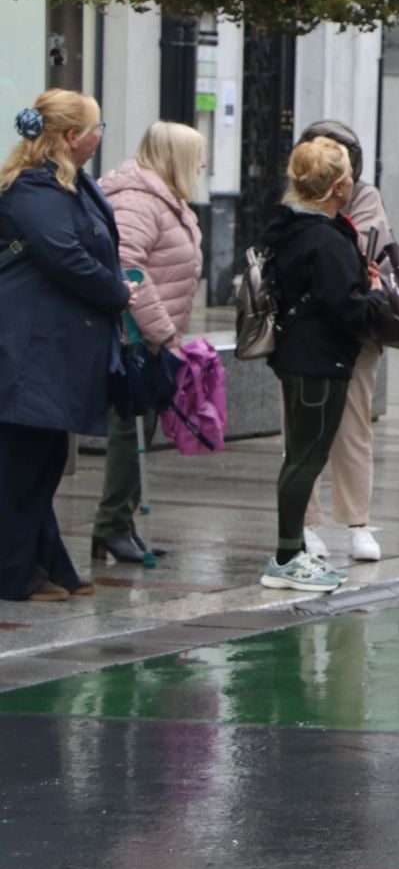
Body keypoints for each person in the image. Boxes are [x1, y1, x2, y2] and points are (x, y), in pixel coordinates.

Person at [0, 91, 125, 602]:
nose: (100, 137)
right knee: (22, 470)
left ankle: (48, 567)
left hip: (47, 349)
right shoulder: (34, 190)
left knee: (38, 465)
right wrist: (117, 292)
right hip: (29, 353)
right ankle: (16, 576)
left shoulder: (65, 186)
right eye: (98, 127)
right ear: (73, 137)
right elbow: (66, 256)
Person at [258, 138, 382, 593]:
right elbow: (344, 307)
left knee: (301, 456)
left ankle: (290, 551)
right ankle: (287, 555)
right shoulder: (325, 239)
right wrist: (374, 296)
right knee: (305, 459)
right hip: (318, 358)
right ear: (338, 188)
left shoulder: (290, 227)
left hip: (298, 353)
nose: (351, 183)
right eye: (346, 176)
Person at [91, 121, 205, 565]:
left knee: (141, 432)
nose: (202, 163)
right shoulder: (139, 201)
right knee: (128, 434)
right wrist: (160, 332)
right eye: (196, 154)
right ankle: (111, 527)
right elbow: (127, 267)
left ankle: (121, 524)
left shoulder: (164, 200)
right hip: (135, 339)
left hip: (154, 340)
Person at [296, 120, 392, 564]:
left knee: (354, 430)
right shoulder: (292, 202)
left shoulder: (365, 197)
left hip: (355, 335)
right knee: (302, 434)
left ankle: (357, 523)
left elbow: (367, 251)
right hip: (303, 335)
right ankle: (304, 523)